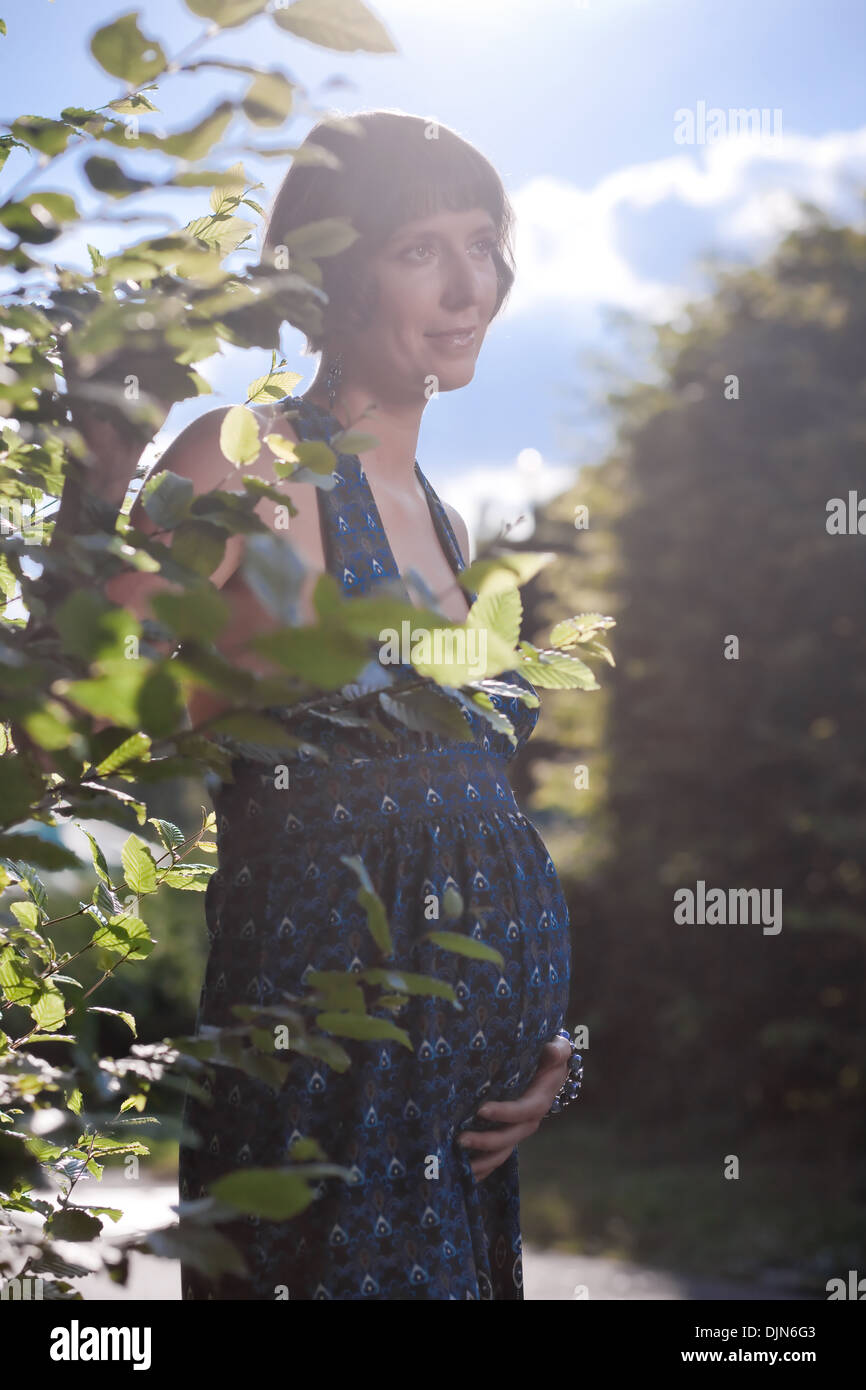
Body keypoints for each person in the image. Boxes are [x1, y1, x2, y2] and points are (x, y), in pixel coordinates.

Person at [110, 109, 574, 1300]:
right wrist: (87, 486)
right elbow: (65, 723)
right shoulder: (239, 458)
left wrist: (551, 1051)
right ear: (332, 271)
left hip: (463, 1135)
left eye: (484, 241)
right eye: (421, 247)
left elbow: (471, 818)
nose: (469, 283)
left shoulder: (448, 522)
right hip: (323, 1103)